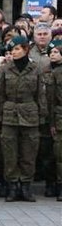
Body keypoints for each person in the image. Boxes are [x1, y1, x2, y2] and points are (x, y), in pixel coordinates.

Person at [0, 36, 46, 202]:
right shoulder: (4, 70)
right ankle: (13, 185)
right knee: (10, 152)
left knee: (29, 152)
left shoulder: (35, 69)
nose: (14, 52)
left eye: (17, 49)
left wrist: (42, 116)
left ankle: (26, 186)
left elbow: (41, 94)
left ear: (25, 49)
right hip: (10, 113)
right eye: (12, 50)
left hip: (30, 113)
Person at [45, 40, 62, 201]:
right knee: (52, 155)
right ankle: (52, 184)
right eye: (51, 52)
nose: (53, 55)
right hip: (53, 117)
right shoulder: (46, 71)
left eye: (56, 52)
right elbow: (49, 99)